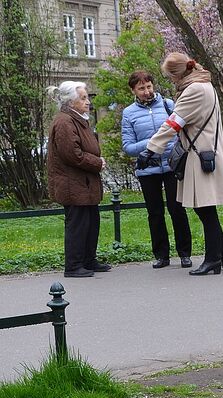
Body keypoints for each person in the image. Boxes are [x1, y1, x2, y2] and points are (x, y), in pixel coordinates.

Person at [137, 53, 223, 276]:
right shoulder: (205, 84)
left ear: (178, 73)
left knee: (204, 208)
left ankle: (213, 259)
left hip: (199, 154)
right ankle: (222, 253)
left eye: (171, 77)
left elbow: (173, 122)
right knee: (206, 209)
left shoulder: (194, 90)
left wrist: (151, 149)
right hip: (207, 151)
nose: (171, 82)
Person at [121, 70, 193, 270]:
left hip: (171, 165)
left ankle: (185, 253)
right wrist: (153, 142)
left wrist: (165, 141)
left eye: (149, 86)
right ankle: (161, 255)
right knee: (155, 213)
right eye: (141, 88)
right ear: (133, 90)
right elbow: (128, 147)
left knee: (177, 210)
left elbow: (181, 134)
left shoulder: (168, 105)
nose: (146, 91)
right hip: (148, 169)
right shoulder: (128, 113)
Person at [46, 81, 111, 278]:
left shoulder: (78, 119)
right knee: (78, 225)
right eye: (83, 98)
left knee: (91, 222)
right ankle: (74, 266)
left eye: (87, 98)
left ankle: (88, 260)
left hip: (84, 183)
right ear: (70, 102)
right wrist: (97, 163)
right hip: (72, 184)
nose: (88, 102)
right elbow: (72, 154)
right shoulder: (65, 121)